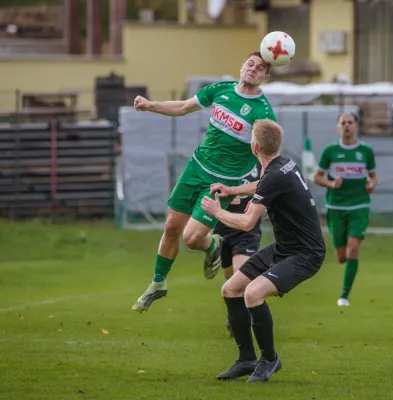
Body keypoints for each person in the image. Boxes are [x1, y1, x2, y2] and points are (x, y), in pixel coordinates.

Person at [131, 52, 277, 313]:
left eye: (261, 68)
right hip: (195, 168)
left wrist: (255, 194)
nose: (253, 70)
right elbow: (184, 107)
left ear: (265, 77)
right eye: (250, 64)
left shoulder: (262, 113)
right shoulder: (220, 90)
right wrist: (150, 105)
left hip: (222, 183)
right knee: (171, 226)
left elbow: (267, 160)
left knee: (191, 239)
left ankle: (214, 244)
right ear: (242, 65)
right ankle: (158, 283)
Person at [201, 119, 326, 383]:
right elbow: (265, 186)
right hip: (285, 247)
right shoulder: (283, 165)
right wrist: (234, 190)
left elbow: (247, 223)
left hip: (305, 254)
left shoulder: (274, 175)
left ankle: (269, 359)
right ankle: (246, 358)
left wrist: (218, 212)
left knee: (253, 293)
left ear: (254, 146)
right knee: (230, 289)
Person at [313, 112, 377, 307]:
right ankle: (344, 267)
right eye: (343, 123)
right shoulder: (330, 151)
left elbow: (374, 176)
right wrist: (332, 184)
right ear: (338, 127)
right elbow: (317, 177)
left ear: (356, 127)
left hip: (359, 206)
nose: (347, 126)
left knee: (353, 248)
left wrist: (371, 184)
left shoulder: (366, 151)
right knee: (342, 256)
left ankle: (344, 295)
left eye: (350, 123)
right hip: (336, 207)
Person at [214, 163, 263, 336]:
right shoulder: (218, 159)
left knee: (241, 275)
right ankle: (235, 311)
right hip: (221, 226)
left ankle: (239, 321)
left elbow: (268, 185)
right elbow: (204, 189)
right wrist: (220, 198)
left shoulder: (259, 160)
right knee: (229, 276)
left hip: (246, 229)